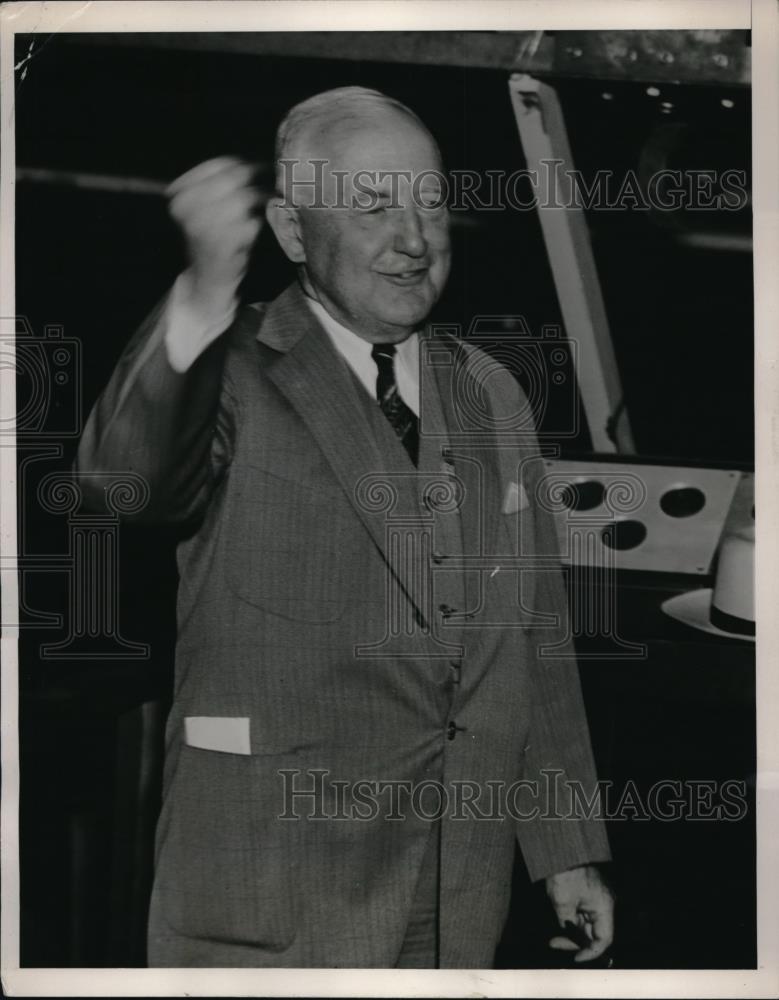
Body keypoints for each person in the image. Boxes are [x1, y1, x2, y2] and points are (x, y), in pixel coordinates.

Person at [76, 86, 614, 969]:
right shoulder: (233, 373)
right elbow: (118, 488)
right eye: (371, 207)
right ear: (291, 232)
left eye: (430, 203)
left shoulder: (491, 391)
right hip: (270, 893)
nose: (412, 239)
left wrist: (563, 849)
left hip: (453, 898)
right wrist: (206, 287)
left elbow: (532, 639)